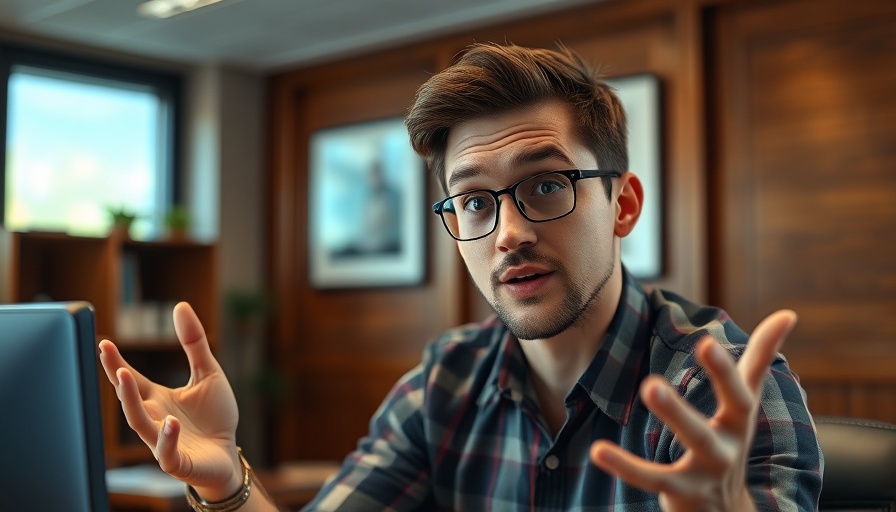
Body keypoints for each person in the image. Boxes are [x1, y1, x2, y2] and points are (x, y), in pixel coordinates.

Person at [98, 42, 823, 512]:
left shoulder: (721, 388)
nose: (508, 232)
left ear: (622, 204)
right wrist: (226, 478)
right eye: (475, 201)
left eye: (545, 186)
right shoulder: (447, 379)